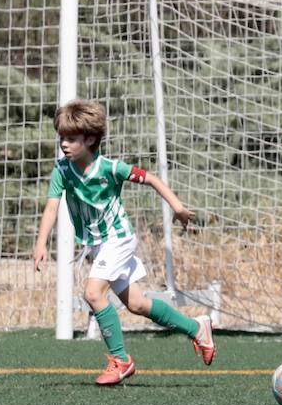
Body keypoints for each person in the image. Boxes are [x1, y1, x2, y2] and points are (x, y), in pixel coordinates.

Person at [32, 99, 215, 385]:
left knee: (93, 293)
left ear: (90, 138)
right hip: (98, 245)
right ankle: (197, 328)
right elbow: (52, 206)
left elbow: (152, 179)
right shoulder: (62, 171)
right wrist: (41, 243)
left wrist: (177, 207)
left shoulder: (110, 168)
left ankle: (121, 361)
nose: (64, 144)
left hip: (118, 239)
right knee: (138, 304)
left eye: (71, 139)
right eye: (61, 138)